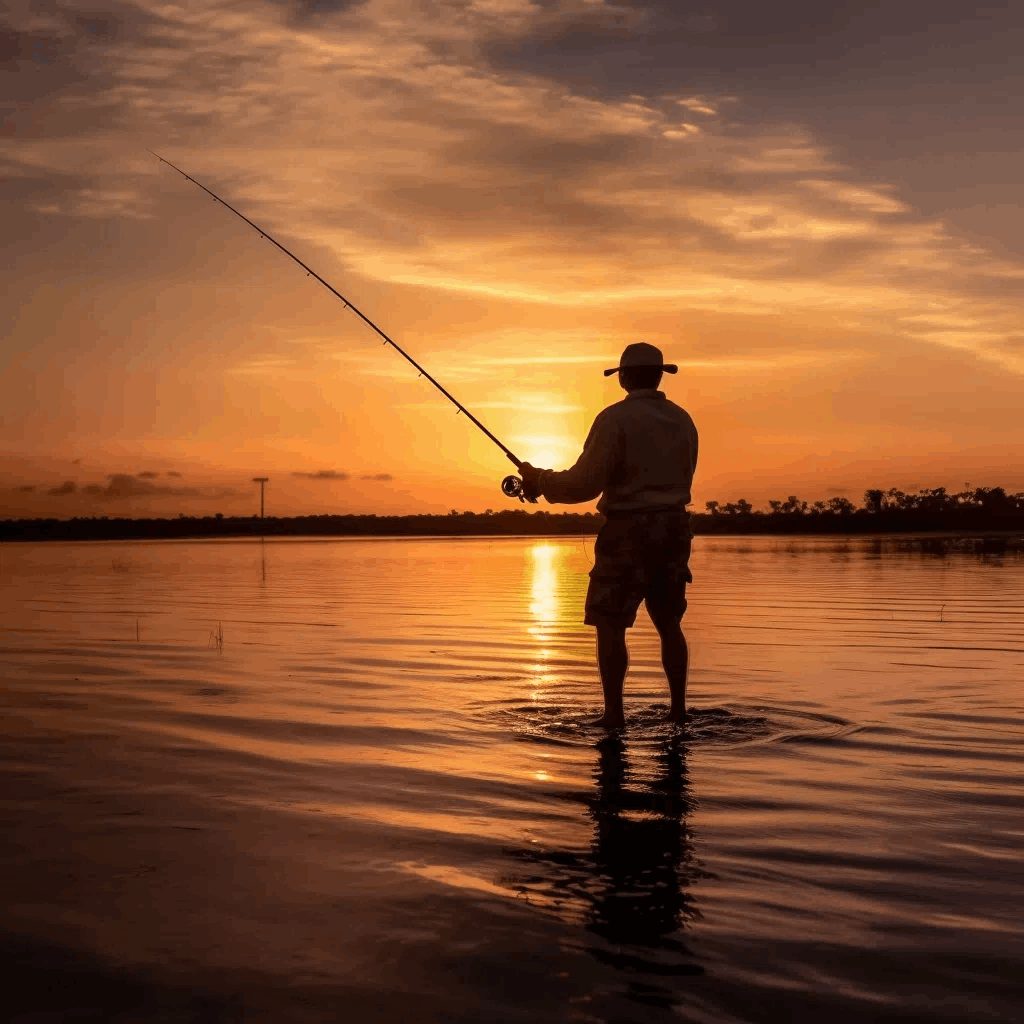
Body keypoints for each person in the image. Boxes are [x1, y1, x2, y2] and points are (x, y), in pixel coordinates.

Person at [519, 343, 698, 730]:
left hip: (629, 531)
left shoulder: (615, 418)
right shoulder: (683, 420)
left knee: (611, 623)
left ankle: (614, 716)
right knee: (669, 623)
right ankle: (679, 712)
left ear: (624, 377)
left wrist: (542, 481)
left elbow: (585, 483)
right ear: (659, 374)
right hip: (675, 529)